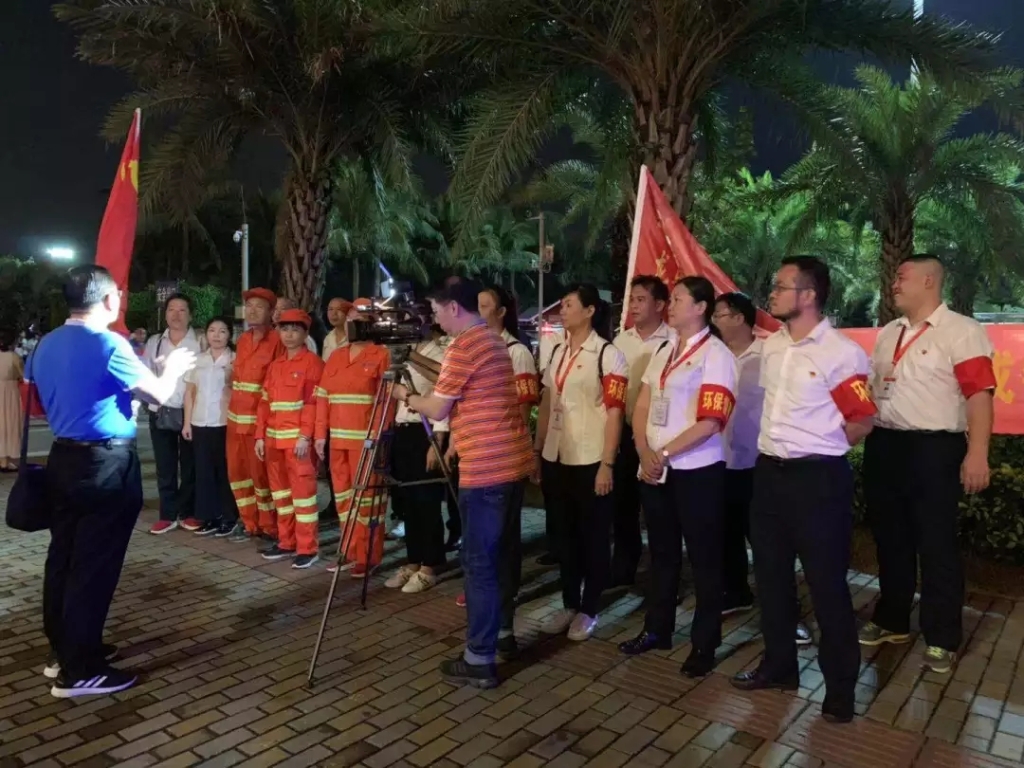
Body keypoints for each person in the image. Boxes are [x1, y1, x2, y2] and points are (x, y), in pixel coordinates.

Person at [28, 265, 195, 697]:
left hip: (63, 458)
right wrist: (172, 368)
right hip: (104, 464)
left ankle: (64, 650)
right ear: (106, 300)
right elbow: (158, 394)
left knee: (63, 558)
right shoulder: (109, 343)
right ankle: (80, 670)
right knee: (93, 566)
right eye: (118, 294)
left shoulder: (46, 343)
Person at [730, 256, 876, 725]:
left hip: (818, 482)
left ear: (809, 295)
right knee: (771, 578)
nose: (771, 293)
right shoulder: (772, 346)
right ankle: (779, 667)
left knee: (826, 585)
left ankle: (840, 689)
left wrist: (820, 448)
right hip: (768, 476)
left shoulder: (840, 352)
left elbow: (861, 420)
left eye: (781, 286)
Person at [393, 277, 533, 689]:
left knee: (480, 563)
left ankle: (479, 659)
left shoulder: (464, 345)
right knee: (500, 556)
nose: (435, 320)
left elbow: (437, 406)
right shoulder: (491, 340)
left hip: (485, 470)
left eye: (437, 311)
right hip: (510, 463)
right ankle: (502, 636)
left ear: (453, 307)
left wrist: (405, 396)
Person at [860, 255, 995, 674]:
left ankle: (941, 636)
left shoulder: (962, 331)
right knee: (890, 538)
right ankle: (892, 620)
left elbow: (979, 395)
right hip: (885, 445)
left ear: (929, 280)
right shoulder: (889, 332)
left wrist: (977, 453)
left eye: (902, 276)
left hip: (934, 449)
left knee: (936, 543)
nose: (894, 283)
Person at [618, 277, 735, 678]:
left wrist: (664, 453)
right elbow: (643, 404)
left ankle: (704, 643)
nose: (672, 304)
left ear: (701, 307)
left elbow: (711, 422)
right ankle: (657, 629)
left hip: (696, 471)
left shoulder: (716, 355)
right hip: (655, 469)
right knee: (662, 553)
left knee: (704, 560)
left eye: (680, 299)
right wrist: (644, 450)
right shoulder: (664, 349)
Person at [714, 293, 815, 647]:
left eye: (720, 314)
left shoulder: (769, 353)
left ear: (739, 317)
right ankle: (736, 592)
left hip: (759, 461)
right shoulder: (714, 354)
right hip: (719, 458)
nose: (714, 320)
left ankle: (788, 615)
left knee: (770, 545)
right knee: (726, 533)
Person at [534, 285, 628, 643]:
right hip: (557, 455)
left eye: (569, 305)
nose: (562, 310)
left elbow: (615, 413)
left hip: (591, 459)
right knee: (564, 536)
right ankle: (569, 603)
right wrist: (538, 450)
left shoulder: (608, 355)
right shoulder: (557, 351)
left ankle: (590, 608)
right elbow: (547, 403)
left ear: (589, 311)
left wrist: (607, 464)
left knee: (593, 536)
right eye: (562, 305)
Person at [315, 300, 391, 577]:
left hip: (366, 443)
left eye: (359, 319)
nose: (353, 323)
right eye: (350, 318)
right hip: (337, 442)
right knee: (344, 499)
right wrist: (320, 435)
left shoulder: (381, 354)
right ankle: (348, 551)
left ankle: (369, 556)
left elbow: (386, 401)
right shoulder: (337, 356)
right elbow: (323, 397)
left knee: (368, 500)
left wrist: (378, 436)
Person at [611, 275, 674, 586]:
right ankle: (624, 566)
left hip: (661, 437)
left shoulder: (674, 341)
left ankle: (664, 576)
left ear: (660, 304)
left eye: (640, 299)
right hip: (626, 432)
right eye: (631, 299)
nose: (633, 306)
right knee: (623, 504)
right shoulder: (621, 341)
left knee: (660, 511)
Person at [257, 309, 325, 569]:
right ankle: (286, 542)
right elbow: (264, 403)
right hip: (273, 442)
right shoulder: (276, 365)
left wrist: (305, 436)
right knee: (281, 496)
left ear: (305, 334)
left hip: (298, 444)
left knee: (303, 497)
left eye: (295, 330)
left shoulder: (313, 364)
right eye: (284, 329)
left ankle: (308, 548)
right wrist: (259, 436)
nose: (289, 335)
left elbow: (312, 404)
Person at [384, 335, 450, 594]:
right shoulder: (400, 352)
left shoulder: (438, 353)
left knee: (426, 502)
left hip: (425, 431)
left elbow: (445, 397)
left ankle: (430, 565)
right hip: (402, 430)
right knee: (408, 502)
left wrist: (438, 441)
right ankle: (413, 561)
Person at [143, 293, 204, 535]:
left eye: (182, 310)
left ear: (190, 315)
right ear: (165, 313)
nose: (176, 315)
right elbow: (146, 374)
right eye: (171, 309)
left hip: (192, 413)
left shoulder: (200, 341)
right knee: (165, 466)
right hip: (161, 412)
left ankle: (187, 512)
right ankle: (167, 515)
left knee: (190, 465)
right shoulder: (155, 342)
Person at [226, 288, 284, 543]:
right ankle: (250, 523)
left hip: (259, 424)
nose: (252, 311)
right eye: (249, 306)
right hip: (235, 422)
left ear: (271, 313)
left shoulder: (278, 341)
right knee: (238, 475)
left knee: (262, 478)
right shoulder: (243, 340)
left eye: (259, 307)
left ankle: (270, 527)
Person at [182, 317, 238, 537]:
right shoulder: (198, 360)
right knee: (203, 473)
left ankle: (229, 517)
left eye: (222, 331)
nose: (216, 335)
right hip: (199, 422)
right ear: (206, 334)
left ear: (229, 335)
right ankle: (208, 517)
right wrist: (187, 422)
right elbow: (190, 393)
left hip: (224, 422)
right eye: (212, 330)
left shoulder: (235, 359)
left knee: (224, 471)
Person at [0, 331, 24, 471]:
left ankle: (2, 460)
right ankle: (7, 460)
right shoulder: (14, 357)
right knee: (11, 424)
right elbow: (22, 375)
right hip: (10, 392)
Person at [322, 297, 353, 361]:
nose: (334, 313)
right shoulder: (328, 338)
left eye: (339, 309)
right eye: (330, 309)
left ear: (347, 312)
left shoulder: (354, 339)